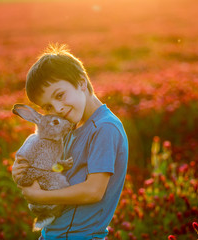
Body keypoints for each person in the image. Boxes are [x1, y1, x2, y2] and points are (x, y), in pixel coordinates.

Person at [12, 43, 129, 240]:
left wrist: (40, 196)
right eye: (48, 106)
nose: (57, 108)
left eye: (60, 95)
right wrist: (23, 171)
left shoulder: (104, 128)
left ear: (81, 82)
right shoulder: (69, 128)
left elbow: (94, 191)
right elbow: (59, 171)